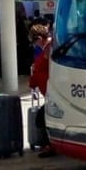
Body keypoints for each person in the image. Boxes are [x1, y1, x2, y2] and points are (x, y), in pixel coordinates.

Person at [28, 23, 55, 157]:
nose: (34, 45)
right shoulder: (47, 48)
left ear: (39, 38)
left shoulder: (48, 49)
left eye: (34, 41)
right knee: (43, 117)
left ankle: (50, 145)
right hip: (49, 92)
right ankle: (49, 144)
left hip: (53, 91)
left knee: (41, 118)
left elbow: (45, 69)